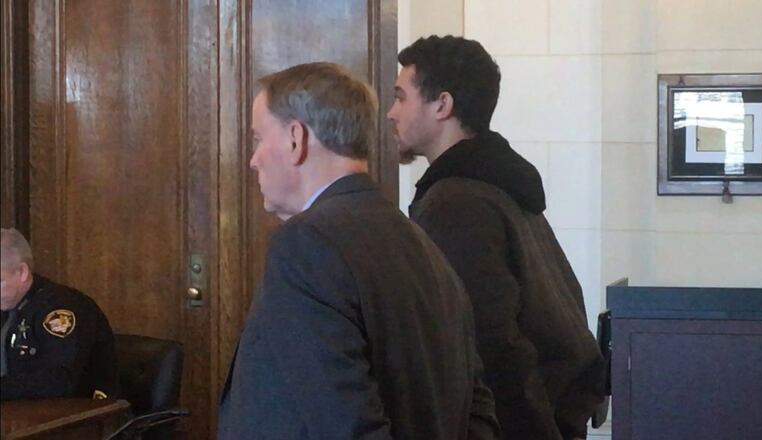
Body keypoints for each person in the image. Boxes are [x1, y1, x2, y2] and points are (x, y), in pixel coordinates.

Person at [217, 62, 500, 440]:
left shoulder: (306, 244)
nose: (253, 159)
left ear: (295, 139)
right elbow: (477, 412)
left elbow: (345, 426)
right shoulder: (422, 244)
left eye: (257, 138)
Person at [387, 35, 606, 440]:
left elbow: (491, 344)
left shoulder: (458, 202)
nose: (390, 112)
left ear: (442, 105)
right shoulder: (497, 183)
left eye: (401, 97)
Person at [1, 227, 118, 401]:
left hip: (81, 419)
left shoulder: (60, 309)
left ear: (22, 272)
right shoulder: (8, 304)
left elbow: (59, 382)